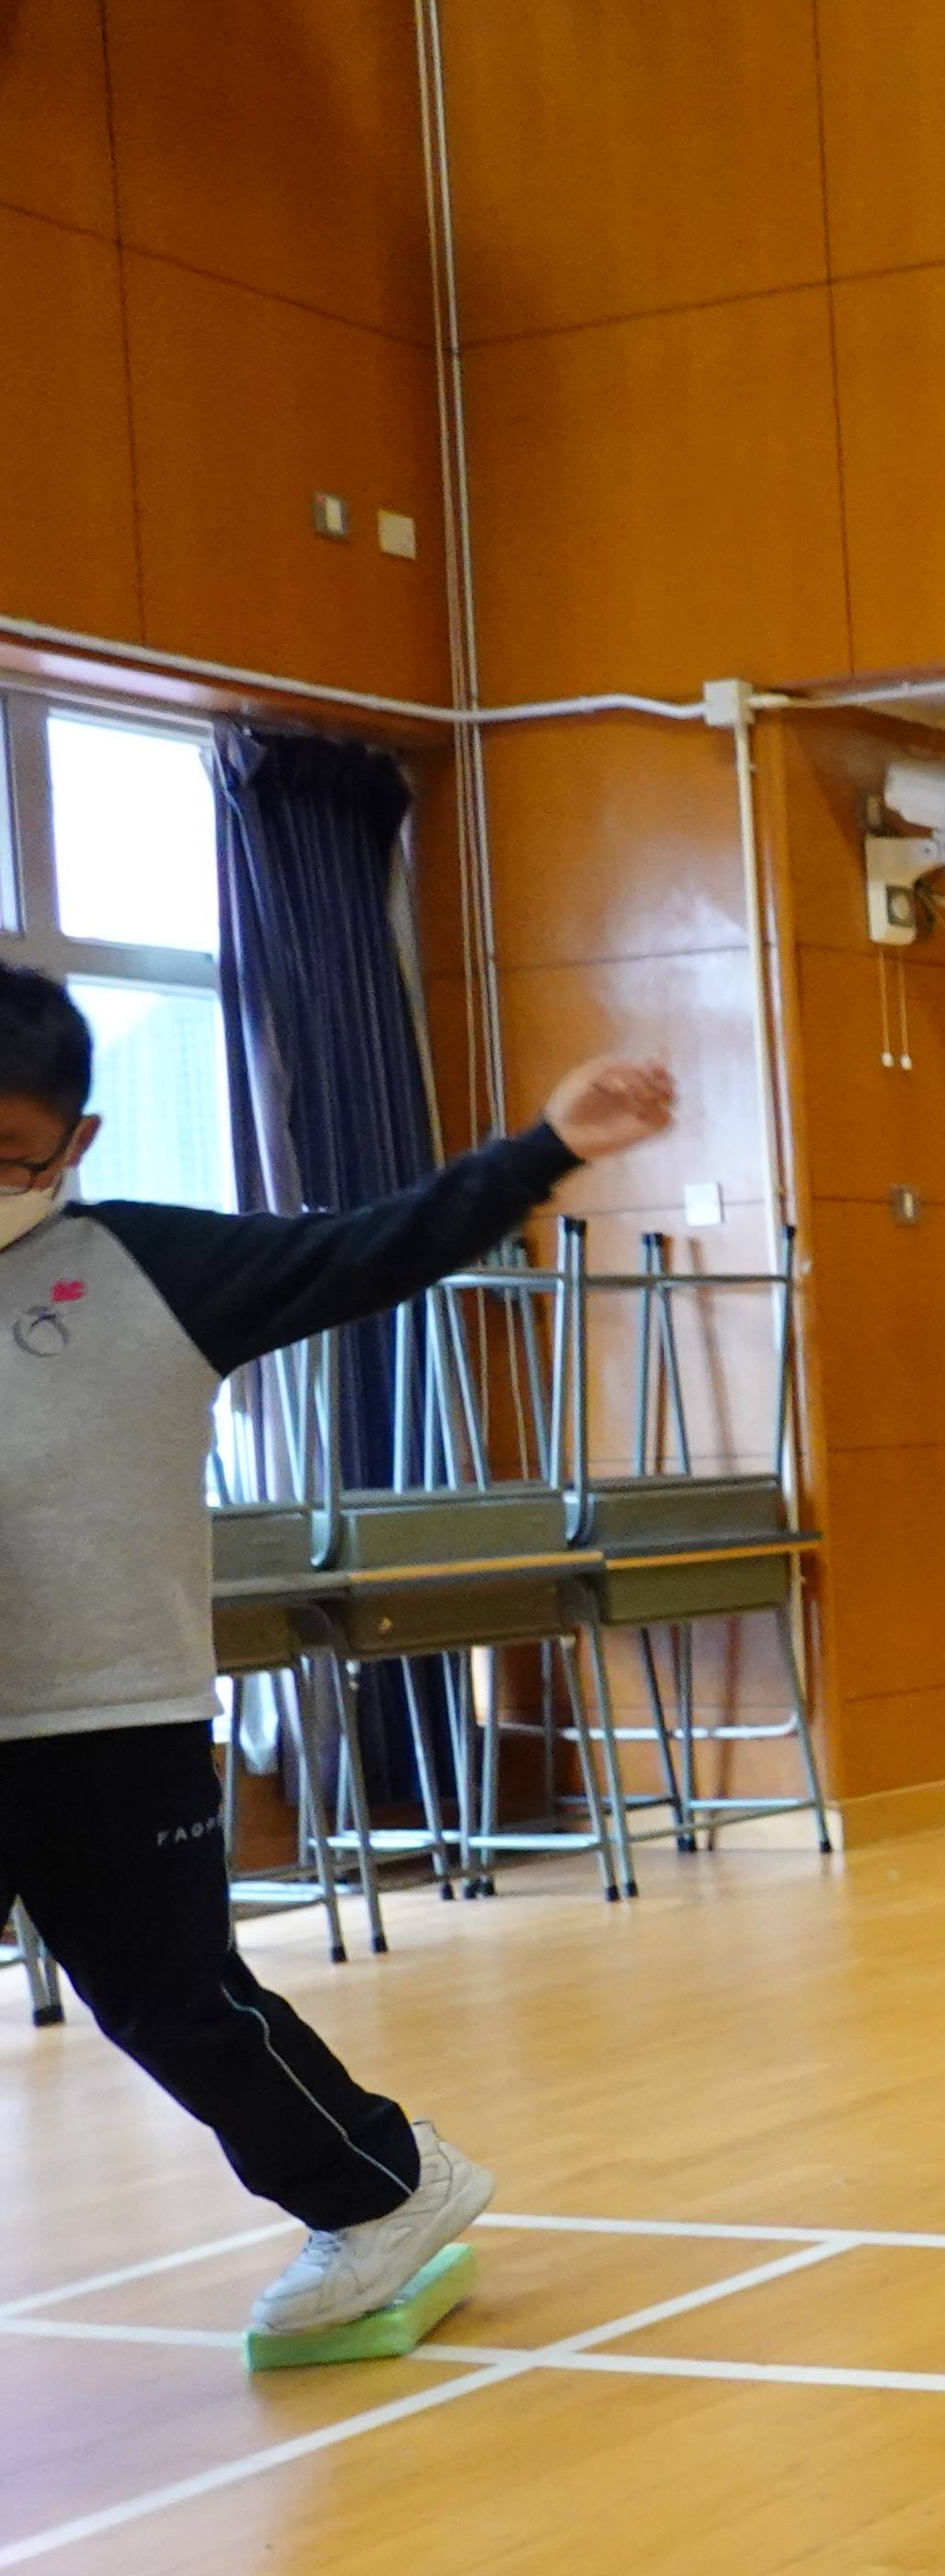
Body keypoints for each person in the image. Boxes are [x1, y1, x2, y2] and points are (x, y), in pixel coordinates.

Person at [0, 967, 671, 2344]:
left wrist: (544, 1149)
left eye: (7, 1151)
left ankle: (384, 2191)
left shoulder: (150, 1269)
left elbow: (376, 1247)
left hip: (107, 1721)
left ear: (77, 1141)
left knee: (176, 2008)